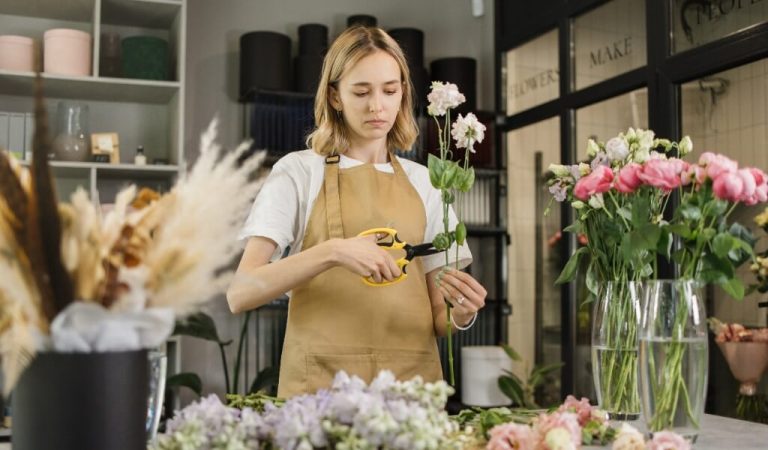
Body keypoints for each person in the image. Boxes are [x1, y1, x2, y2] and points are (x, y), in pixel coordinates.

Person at [227, 26, 487, 398]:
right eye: (361, 92)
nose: (377, 106)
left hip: (409, 393)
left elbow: (438, 316)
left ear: (402, 94)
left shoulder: (427, 182)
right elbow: (240, 293)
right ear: (334, 96)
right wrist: (333, 251)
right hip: (320, 391)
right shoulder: (299, 171)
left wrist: (461, 314)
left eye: (390, 90)